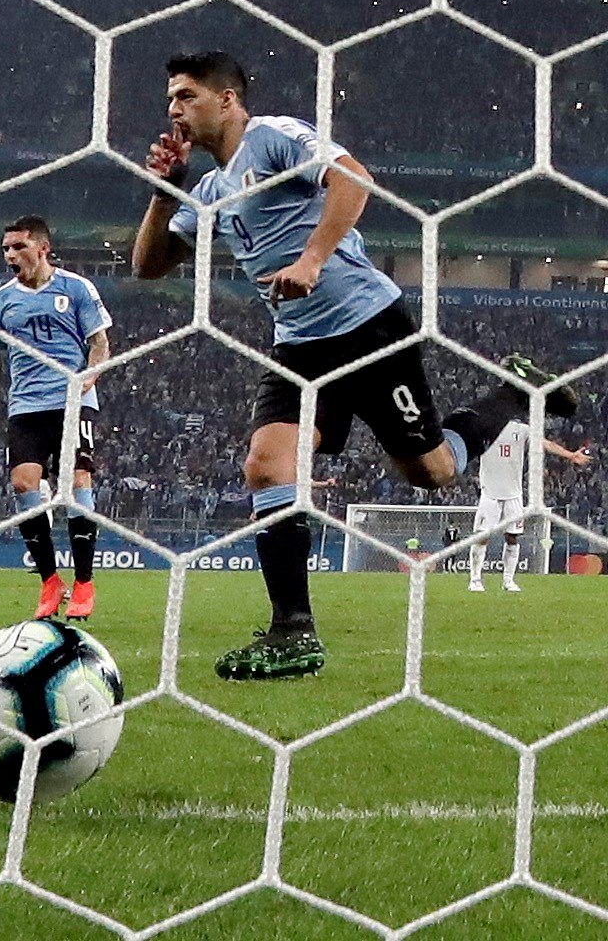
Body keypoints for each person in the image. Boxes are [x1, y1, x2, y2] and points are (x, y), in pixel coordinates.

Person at [132, 50, 575, 680]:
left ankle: (514, 395)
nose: (174, 109)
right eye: (171, 99)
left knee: (434, 471)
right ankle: (293, 632)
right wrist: (163, 189)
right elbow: (148, 266)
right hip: (298, 346)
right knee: (266, 465)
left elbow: (353, 178)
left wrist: (313, 259)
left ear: (227, 99)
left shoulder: (274, 138)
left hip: (367, 327)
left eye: (186, 96)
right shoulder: (207, 189)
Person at [0, 215, 112, 621]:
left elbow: (99, 341)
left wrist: (90, 375)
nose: (11, 255)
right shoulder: (0, 301)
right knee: (22, 484)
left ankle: (84, 582)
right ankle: (50, 581)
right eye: (6, 249)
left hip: (73, 401)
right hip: (26, 406)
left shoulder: (76, 288)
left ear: (42, 249)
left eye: (18, 247)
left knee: (77, 481)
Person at [468, 421, 590, 592]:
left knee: (512, 537)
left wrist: (570, 455)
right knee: (482, 537)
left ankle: (508, 581)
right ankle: (475, 579)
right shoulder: (482, 428)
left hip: (513, 494)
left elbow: (546, 443)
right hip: (490, 493)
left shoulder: (521, 429)